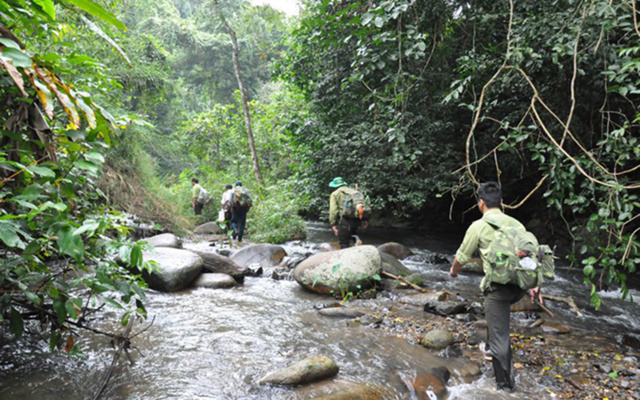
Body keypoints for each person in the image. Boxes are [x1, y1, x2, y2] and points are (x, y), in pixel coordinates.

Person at [449, 182, 543, 392]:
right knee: (496, 320)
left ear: (481, 203)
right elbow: (528, 255)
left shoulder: (478, 226)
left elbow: (462, 256)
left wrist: (454, 272)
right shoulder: (517, 224)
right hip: (519, 287)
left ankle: (505, 388)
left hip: (498, 290)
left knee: (501, 334)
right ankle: (491, 347)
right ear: (500, 202)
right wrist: (533, 286)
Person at [329, 176, 369, 249]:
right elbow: (361, 206)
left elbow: (333, 211)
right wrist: (364, 219)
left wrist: (333, 224)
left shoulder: (335, 194)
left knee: (344, 242)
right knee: (353, 236)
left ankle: (347, 258)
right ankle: (356, 242)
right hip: (357, 220)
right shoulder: (355, 192)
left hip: (345, 221)